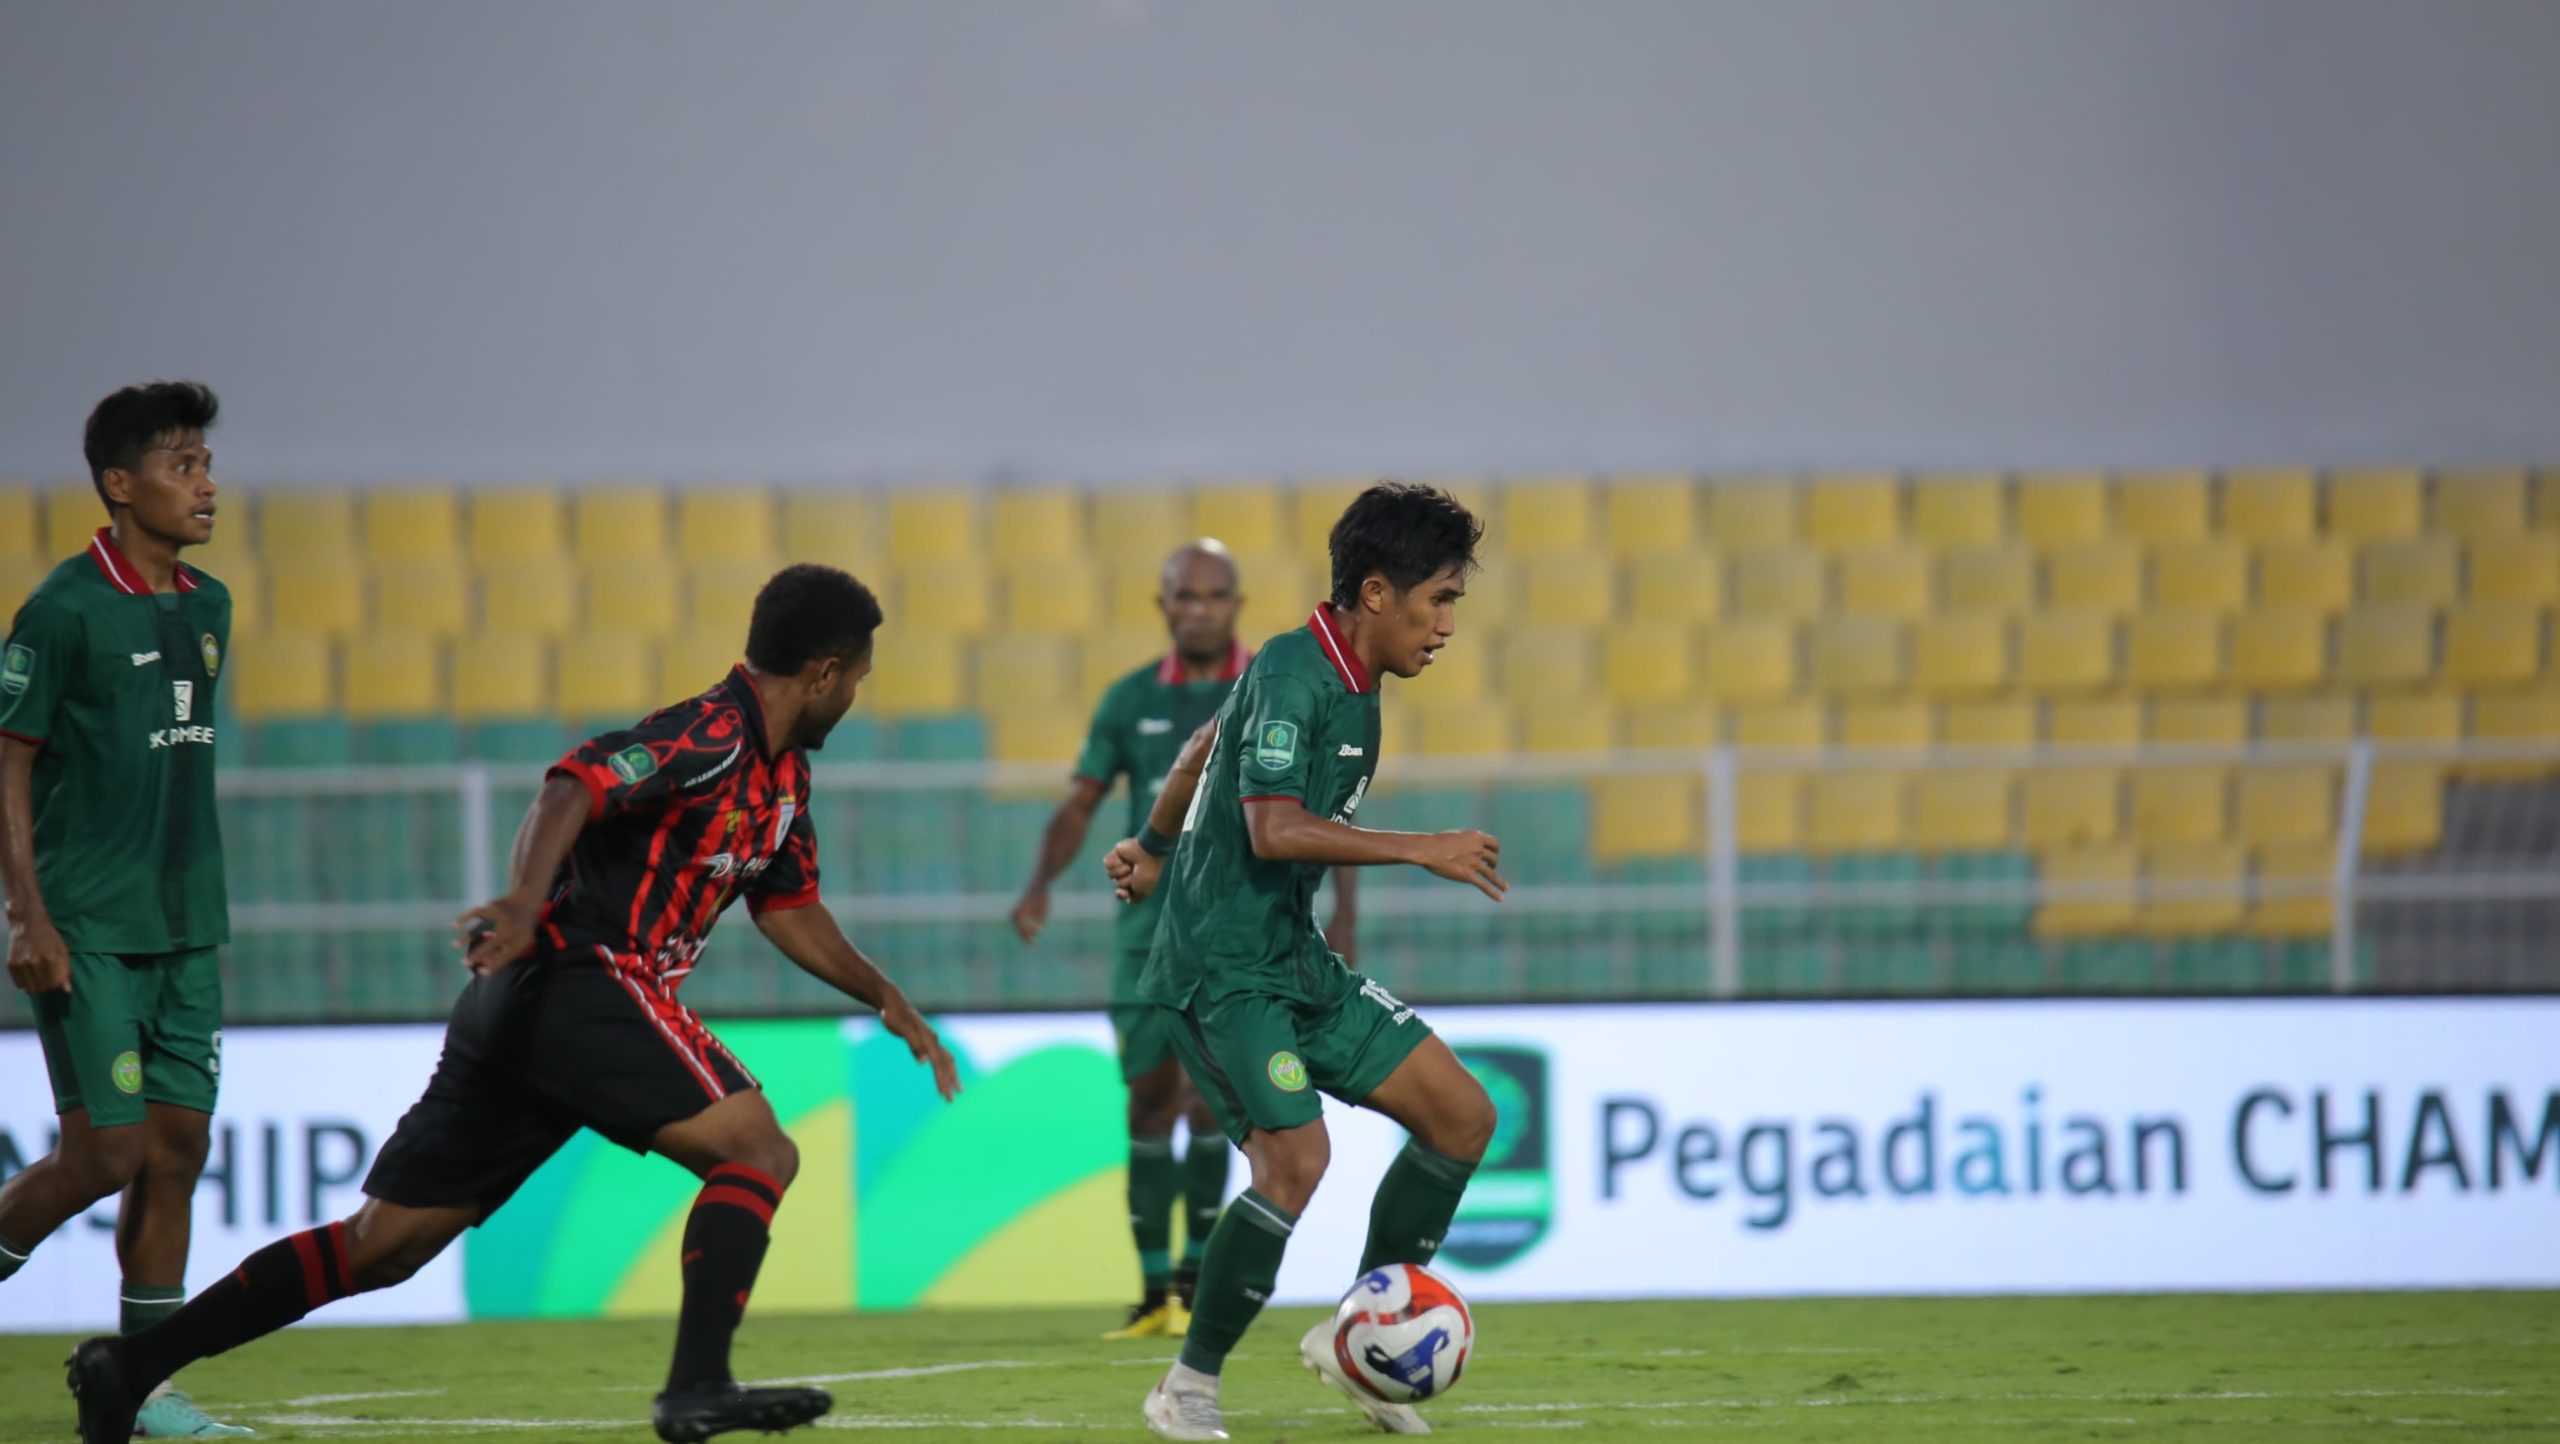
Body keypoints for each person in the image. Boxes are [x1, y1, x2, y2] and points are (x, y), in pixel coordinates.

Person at [67, 563, 961, 1444]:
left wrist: (883, 994)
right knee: (758, 1151)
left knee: (384, 1245)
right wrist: (527, 906)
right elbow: (573, 783)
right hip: (586, 978)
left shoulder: (782, 780)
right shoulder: (708, 735)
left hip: (527, 1007)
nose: (856, 699)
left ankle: (128, 1370)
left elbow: (788, 906)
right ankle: (697, 1388)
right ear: (824, 674)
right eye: (858, 681)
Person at [1106, 483, 1506, 1441]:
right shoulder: (1296, 671)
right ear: (1376, 592)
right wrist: (1424, 847)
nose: (1448, 624)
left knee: (1462, 1115)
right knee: (1296, 1159)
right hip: (1222, 967)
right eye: (1439, 599)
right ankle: (1188, 1387)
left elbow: (1209, 743)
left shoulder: (1349, 682)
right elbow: (1274, 827)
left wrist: (1155, 844)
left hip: (1291, 956)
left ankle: (1358, 1347)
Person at [1011, 540, 1356, 1340]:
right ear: (1164, 606)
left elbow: (1330, 806)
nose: (1197, 608)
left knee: (1208, 1101)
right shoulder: (1129, 700)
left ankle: (1197, 1279)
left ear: (1234, 604)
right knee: (1149, 1098)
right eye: (1184, 596)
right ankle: (1149, 1292)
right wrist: (1038, 884)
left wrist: (1344, 914)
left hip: (1239, 929)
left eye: (1213, 595)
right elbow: (1081, 802)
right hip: (1147, 932)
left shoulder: (1276, 685)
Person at [0, 382, 251, 1438]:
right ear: (120, 484)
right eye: (183, 465)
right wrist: (29, 915)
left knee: (178, 1150)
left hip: (189, 923)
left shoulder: (210, 604)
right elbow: (8, 760)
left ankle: (143, 1388)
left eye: (205, 463)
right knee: (104, 1152)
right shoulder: (61, 611)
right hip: (90, 925)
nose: (206, 483)